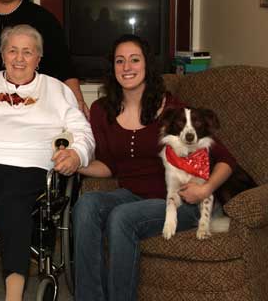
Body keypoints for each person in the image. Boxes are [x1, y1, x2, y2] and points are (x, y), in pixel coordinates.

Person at [71, 35, 237, 301]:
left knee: (122, 217)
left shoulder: (172, 111)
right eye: (120, 61)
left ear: (147, 65)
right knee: (86, 205)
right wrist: (75, 163)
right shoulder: (102, 110)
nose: (127, 67)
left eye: (135, 60)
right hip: (130, 193)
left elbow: (227, 159)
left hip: (179, 200)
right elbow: (109, 166)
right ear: (112, 68)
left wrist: (205, 189)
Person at [0, 24, 94, 301]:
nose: (19, 58)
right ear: (2, 55)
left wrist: (76, 154)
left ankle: (14, 296)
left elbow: (83, 132)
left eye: (28, 52)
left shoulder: (57, 90)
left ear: (39, 57)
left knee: (12, 207)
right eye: (12, 50)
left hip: (27, 164)